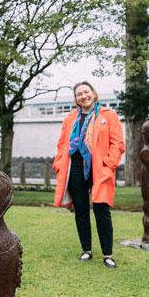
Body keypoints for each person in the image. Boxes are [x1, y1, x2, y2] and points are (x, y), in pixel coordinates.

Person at [53, 81, 125, 269]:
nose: (83, 96)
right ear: (76, 99)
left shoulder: (108, 115)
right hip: (75, 166)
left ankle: (107, 254)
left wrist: (109, 164)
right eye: (79, 94)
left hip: (99, 167)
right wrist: (59, 163)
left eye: (86, 92)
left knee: (102, 209)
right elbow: (62, 144)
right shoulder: (70, 118)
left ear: (93, 93)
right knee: (81, 209)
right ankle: (87, 250)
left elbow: (117, 144)